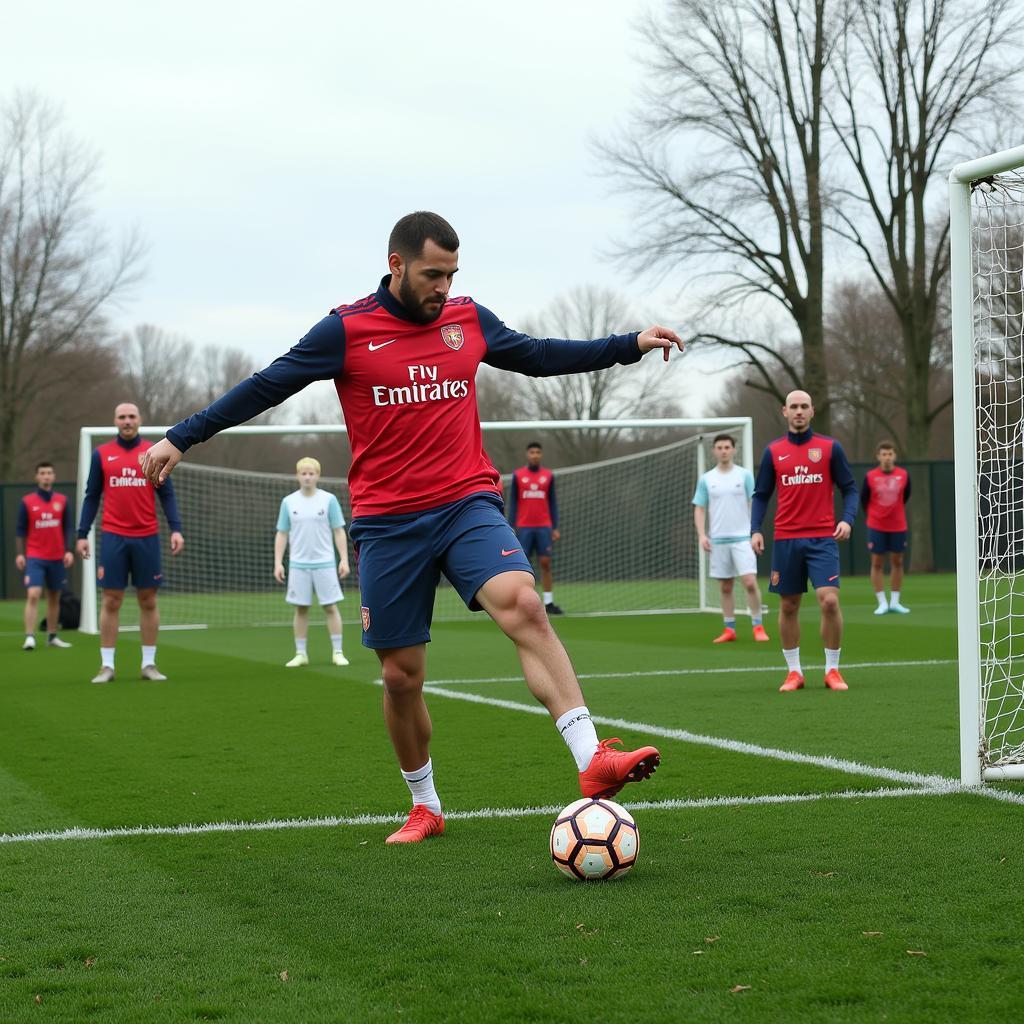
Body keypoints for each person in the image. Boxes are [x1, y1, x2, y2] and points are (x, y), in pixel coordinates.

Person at [139, 211, 679, 843]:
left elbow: (537, 355)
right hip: (388, 523)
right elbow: (267, 386)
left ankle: (592, 760)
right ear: (396, 264)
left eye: (451, 274)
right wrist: (183, 436)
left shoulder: (468, 320)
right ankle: (424, 802)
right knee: (401, 676)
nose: (443, 287)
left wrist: (627, 344)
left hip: (465, 504)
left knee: (525, 604)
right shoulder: (346, 330)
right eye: (432, 274)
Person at [750, 390, 858, 692]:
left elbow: (850, 488)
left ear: (812, 412)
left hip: (822, 538)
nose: (799, 411)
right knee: (788, 606)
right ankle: (794, 672)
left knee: (830, 600)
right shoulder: (773, 451)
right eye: (793, 406)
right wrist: (755, 529)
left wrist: (847, 519)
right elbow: (761, 495)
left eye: (804, 406)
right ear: (785, 411)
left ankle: (833, 669)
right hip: (786, 539)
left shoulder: (829, 448)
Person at [77, 403, 185, 684]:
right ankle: (107, 666)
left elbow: (167, 494)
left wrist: (176, 529)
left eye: (131, 417)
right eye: (122, 417)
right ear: (115, 421)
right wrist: (81, 533)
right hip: (113, 536)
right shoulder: (101, 454)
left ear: (139, 420)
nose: (127, 421)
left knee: (148, 600)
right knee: (111, 600)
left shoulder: (154, 451)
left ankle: (149, 664)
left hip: (147, 536)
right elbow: (91, 496)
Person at [274, 457, 352, 667]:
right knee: (300, 609)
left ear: (318, 475)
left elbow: (339, 531)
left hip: (325, 563)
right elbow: (282, 533)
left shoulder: (329, 500)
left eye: (311, 473)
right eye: (304, 473)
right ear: (297, 475)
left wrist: (344, 559)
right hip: (298, 564)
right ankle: (301, 653)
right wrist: (278, 563)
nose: (307, 477)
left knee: (330, 607)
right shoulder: (289, 502)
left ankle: (338, 651)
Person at [692, 435, 769, 644]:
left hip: (743, 538)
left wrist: (756, 531)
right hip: (718, 540)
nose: (723, 450)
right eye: (719, 447)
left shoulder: (744, 476)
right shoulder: (707, 479)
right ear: (714, 451)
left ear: (734, 450)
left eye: (727, 447)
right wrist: (701, 535)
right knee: (725, 586)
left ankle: (758, 626)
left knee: (750, 582)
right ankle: (729, 628)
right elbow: (699, 507)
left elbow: (756, 503)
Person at [15, 461, 74, 651]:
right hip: (35, 556)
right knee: (33, 594)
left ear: (54, 476)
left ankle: (52, 636)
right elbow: (21, 530)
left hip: (56, 556)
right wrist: (20, 554)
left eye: (49, 472)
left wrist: (68, 550)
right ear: (37, 477)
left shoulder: (63, 501)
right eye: (42, 473)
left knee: (54, 597)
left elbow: (67, 528)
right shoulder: (27, 502)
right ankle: (30, 637)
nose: (46, 476)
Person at [507, 441, 563, 615]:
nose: (535, 455)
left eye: (538, 452)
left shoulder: (548, 476)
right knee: (522, 566)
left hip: (544, 526)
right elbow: (514, 502)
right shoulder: (518, 475)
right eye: (532, 452)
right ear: (527, 454)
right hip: (524, 526)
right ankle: (523, 604)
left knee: (545, 562)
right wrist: (511, 526)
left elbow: (552, 502)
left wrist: (555, 526)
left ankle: (549, 602)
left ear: (541, 454)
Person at [861, 441, 912, 615]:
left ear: (895, 456)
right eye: (884, 454)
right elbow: (864, 500)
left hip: (898, 526)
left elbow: (905, 497)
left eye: (890, 454)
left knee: (897, 562)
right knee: (877, 563)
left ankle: (895, 602)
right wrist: (876, 516)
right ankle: (881, 602)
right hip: (876, 526)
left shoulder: (904, 475)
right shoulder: (870, 476)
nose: (887, 457)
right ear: (878, 456)